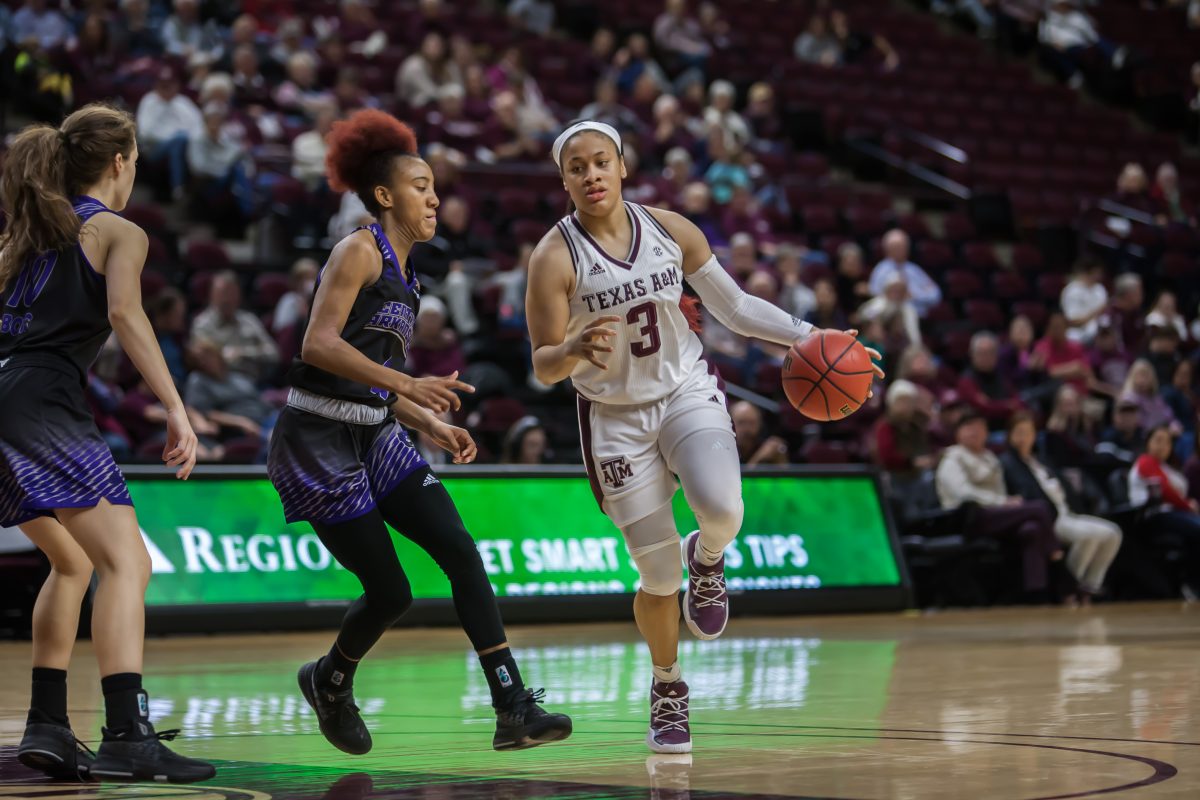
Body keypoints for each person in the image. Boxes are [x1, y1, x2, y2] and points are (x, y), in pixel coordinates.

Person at [524, 120, 883, 754]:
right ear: (564, 180)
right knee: (658, 577)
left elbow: (738, 308)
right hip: (613, 419)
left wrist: (817, 339)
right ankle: (667, 686)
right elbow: (543, 366)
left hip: (685, 389)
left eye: (600, 161)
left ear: (622, 166)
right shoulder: (554, 257)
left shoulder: (671, 229)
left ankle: (709, 558)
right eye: (576, 167)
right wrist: (570, 347)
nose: (591, 174)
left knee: (722, 509)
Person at [266, 109, 571, 755]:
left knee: (460, 549)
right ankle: (329, 681)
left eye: (436, 187)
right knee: (391, 592)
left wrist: (426, 417)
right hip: (316, 442)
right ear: (384, 195)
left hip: (376, 433)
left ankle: (512, 704)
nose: (435, 197)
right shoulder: (358, 248)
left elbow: (372, 380)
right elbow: (318, 346)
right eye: (421, 185)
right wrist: (408, 386)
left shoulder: (411, 278)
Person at [0, 104, 213, 782]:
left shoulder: (25, 237)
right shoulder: (117, 230)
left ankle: (50, 726)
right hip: (42, 400)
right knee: (128, 564)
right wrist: (177, 408)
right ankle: (127, 732)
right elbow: (125, 313)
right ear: (121, 162)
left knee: (73, 564)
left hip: (6, 395)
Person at [935, 413, 1062, 599]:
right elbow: (963, 494)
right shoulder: (952, 458)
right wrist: (1002, 502)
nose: (975, 432)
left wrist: (1006, 503)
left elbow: (1001, 491)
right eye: (969, 428)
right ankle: (1059, 563)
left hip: (995, 516)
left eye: (980, 428)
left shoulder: (990, 458)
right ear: (958, 433)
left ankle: (1036, 594)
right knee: (1039, 508)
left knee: (1031, 529)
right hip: (966, 518)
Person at [1001, 412, 1122, 601]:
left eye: (1028, 432)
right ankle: (1068, 590)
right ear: (1010, 436)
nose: (1024, 437)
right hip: (1048, 518)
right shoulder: (1008, 463)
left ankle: (1090, 586)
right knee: (1087, 537)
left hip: (1068, 513)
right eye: (1019, 432)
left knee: (1113, 533)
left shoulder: (1041, 461)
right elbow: (1023, 495)